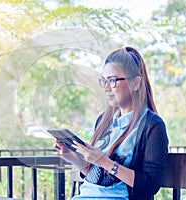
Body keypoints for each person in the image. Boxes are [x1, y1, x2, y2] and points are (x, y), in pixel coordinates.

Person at [54, 47, 169, 200]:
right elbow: (100, 177)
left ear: (135, 83)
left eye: (113, 80)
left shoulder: (152, 126)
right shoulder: (104, 121)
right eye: (104, 81)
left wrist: (104, 161)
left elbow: (150, 185)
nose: (106, 88)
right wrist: (74, 158)